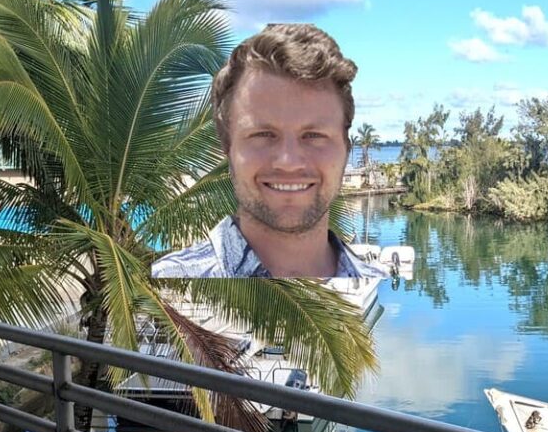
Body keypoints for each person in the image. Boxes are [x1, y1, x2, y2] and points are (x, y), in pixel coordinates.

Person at [152, 23, 386, 278]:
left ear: (346, 151)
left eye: (314, 135)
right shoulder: (162, 293)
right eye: (263, 135)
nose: (288, 162)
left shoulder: (377, 284)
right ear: (227, 149)